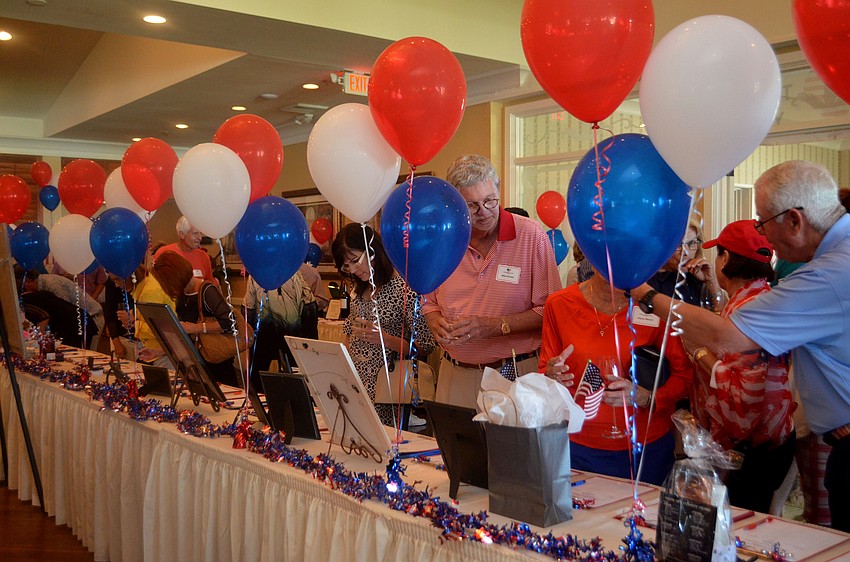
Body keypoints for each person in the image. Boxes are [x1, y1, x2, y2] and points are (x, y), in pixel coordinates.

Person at [632, 160, 850, 531]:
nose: (765, 235)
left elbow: (729, 338)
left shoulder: (830, 272)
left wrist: (647, 296)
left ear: (794, 220)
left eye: (763, 222)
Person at [423, 155, 562, 408]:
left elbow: (551, 312)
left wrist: (493, 326)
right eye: (472, 205)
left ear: (498, 187)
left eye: (490, 200)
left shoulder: (530, 236)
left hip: (515, 375)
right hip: (454, 375)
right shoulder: (442, 238)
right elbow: (429, 301)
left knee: (512, 449)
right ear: (454, 203)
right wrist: (434, 320)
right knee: (455, 449)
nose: (484, 212)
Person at [539, 266, 693, 486]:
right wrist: (551, 374)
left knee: (644, 520)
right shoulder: (559, 304)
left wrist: (646, 397)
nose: (611, 261)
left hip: (646, 448)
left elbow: (685, 376)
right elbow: (544, 371)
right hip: (579, 445)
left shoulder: (656, 309)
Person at [685, 220, 795, 512]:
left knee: (742, 531)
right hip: (776, 438)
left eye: (718, 253)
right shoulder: (765, 297)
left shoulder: (746, 312)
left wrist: (698, 352)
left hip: (752, 449)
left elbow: (742, 394)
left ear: (727, 259)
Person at [332, 223, 435, 427]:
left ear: (372, 250)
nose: (352, 269)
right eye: (346, 265)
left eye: (354, 261)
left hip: (387, 390)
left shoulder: (404, 288)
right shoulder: (359, 288)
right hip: (354, 386)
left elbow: (424, 346)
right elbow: (348, 334)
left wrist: (386, 340)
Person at [146, 251, 240, 387]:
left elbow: (230, 323)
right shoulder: (183, 294)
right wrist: (158, 352)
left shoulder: (207, 290)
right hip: (198, 366)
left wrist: (195, 328)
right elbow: (185, 338)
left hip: (217, 364)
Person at [243, 271, 314, 391]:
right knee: (295, 374)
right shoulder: (294, 272)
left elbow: (248, 307)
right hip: (291, 333)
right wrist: (309, 338)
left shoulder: (256, 273)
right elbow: (309, 304)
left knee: (257, 374)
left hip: (265, 332)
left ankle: (256, 405)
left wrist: (249, 335)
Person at [647, 218, 724, 312]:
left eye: (691, 243)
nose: (686, 252)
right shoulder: (648, 280)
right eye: (678, 244)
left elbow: (724, 318)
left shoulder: (698, 276)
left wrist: (712, 281)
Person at [18, 268, 105, 334]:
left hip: (92, 317)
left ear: (28, 281)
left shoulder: (52, 284)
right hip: (81, 320)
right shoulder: (46, 282)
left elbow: (65, 312)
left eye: (22, 287)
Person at [153, 216, 216, 285]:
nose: (200, 238)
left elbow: (209, 284)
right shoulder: (164, 253)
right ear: (182, 235)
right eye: (195, 234)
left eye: (200, 233)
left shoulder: (203, 256)